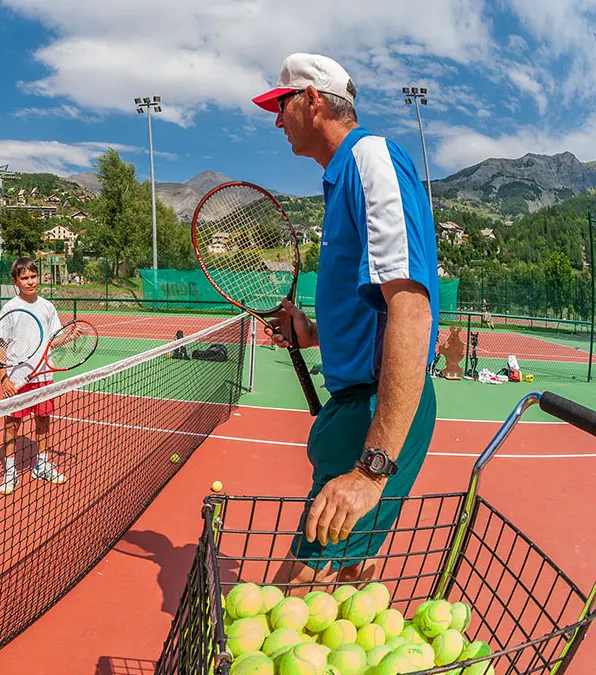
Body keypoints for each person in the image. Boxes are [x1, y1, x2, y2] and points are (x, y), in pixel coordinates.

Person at [251, 53, 439, 591]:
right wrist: (310, 334)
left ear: (312, 100)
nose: (275, 119)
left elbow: (411, 309)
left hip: (376, 408)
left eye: (280, 104)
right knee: (355, 572)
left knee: (298, 587)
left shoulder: (370, 158)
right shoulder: (342, 178)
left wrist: (370, 470)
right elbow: (371, 311)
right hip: (355, 403)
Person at [0, 257, 67, 495]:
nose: (30, 282)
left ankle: (43, 464)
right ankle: (10, 470)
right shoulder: (10, 308)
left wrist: (70, 336)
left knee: (43, 422)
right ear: (15, 281)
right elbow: (0, 344)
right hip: (17, 378)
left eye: (33, 276)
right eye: (24, 278)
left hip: (43, 376)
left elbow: (52, 340)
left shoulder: (47, 307)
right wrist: (4, 378)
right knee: (12, 425)